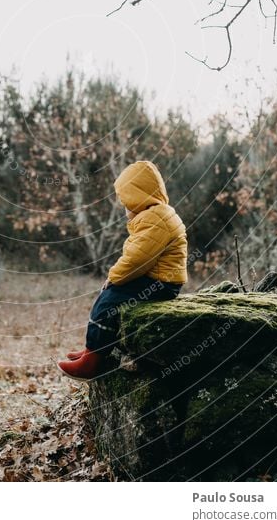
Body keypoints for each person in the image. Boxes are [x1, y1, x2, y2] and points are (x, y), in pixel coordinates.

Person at [58, 160, 187, 380]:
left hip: (159, 283)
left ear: (139, 197)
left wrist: (114, 277)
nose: (124, 206)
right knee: (109, 299)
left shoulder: (155, 218)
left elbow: (137, 259)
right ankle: (94, 349)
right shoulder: (158, 214)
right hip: (160, 280)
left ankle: (92, 361)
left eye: (126, 200)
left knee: (108, 302)